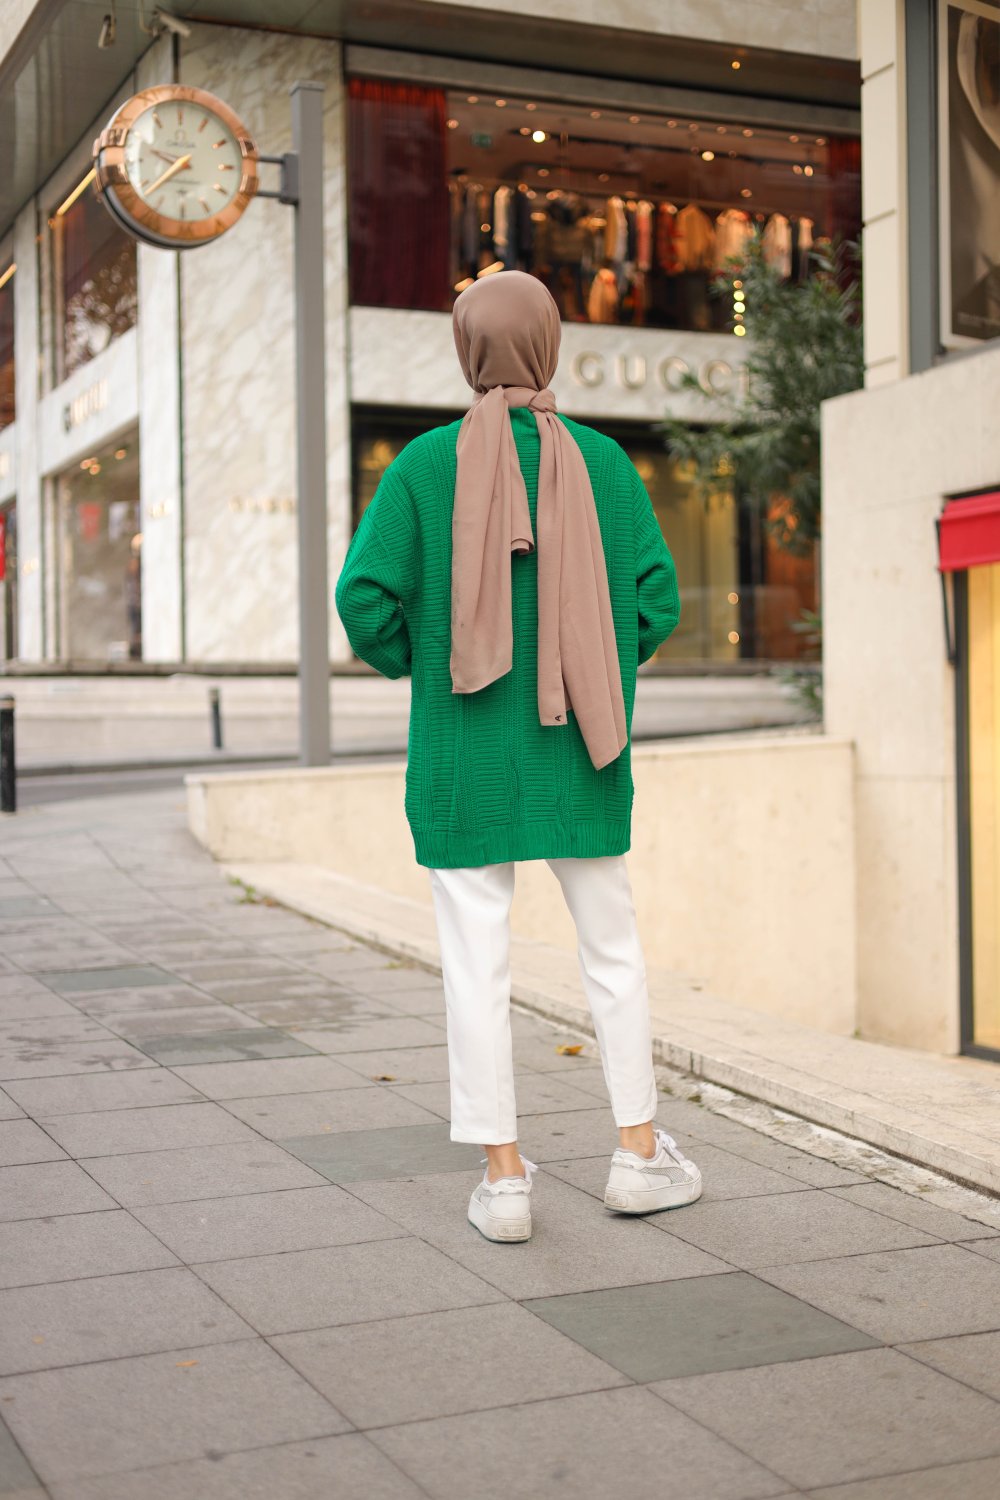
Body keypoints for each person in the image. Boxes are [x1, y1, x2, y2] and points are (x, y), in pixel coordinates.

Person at [335, 270, 701, 1243]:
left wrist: (433, 664)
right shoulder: (605, 464)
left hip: (464, 754)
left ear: (467, 348)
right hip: (582, 750)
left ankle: (504, 1182)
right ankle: (638, 1156)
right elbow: (657, 601)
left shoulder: (423, 467)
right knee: (613, 954)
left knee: (474, 966)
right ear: (548, 342)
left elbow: (363, 601)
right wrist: (596, 666)